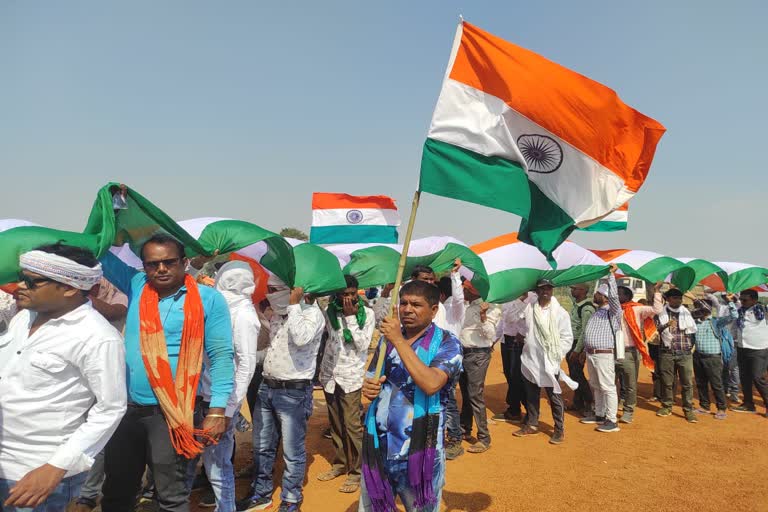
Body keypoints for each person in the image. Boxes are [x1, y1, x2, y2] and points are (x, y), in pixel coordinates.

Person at [99, 234, 235, 512]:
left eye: (168, 262)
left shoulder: (209, 299)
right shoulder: (136, 285)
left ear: (184, 262)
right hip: (125, 410)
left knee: (171, 496)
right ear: (144, 267)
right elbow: (98, 251)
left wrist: (218, 410)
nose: (161, 269)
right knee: (116, 492)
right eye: (152, 264)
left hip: (173, 413)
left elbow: (222, 357)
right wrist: (111, 216)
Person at [0, 244, 126, 511]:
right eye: (21, 277)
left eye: (31, 281)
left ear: (69, 287)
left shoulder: (98, 337)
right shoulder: (23, 318)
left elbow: (110, 409)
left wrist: (56, 467)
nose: (19, 286)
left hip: (36, 472)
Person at [359, 280, 462, 512]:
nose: (407, 309)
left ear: (434, 310)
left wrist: (398, 340)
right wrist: (370, 388)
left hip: (418, 450)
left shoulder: (448, 344)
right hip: (379, 446)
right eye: (403, 303)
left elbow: (431, 383)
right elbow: (372, 377)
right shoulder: (388, 341)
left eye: (416, 304)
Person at [238, 275, 325, 512]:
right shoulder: (279, 315)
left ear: (292, 290)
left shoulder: (311, 314)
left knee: (292, 451)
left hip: (293, 393)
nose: (270, 294)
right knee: (262, 446)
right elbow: (274, 351)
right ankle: (261, 493)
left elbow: (301, 338)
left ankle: (291, 499)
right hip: (268, 386)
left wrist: (295, 305)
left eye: (275, 290)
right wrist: (249, 358)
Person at [192, 261, 260, 510]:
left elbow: (246, 365)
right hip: (201, 394)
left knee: (218, 465)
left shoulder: (244, 316)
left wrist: (230, 407)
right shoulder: (217, 305)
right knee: (197, 459)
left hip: (219, 401)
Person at [71, 278, 129, 512]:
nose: (95, 288)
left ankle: (87, 493)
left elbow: (114, 312)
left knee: (98, 436)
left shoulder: (118, 295)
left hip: (103, 374)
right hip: (74, 375)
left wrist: (78, 297)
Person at [316, 275, 375, 493]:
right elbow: (330, 341)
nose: (348, 298)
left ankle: (358, 472)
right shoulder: (330, 312)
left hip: (351, 377)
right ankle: (341, 464)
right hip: (330, 374)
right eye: (344, 294)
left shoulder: (366, 314)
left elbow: (362, 345)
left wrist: (350, 319)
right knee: (336, 424)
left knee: (352, 425)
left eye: (351, 294)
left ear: (356, 293)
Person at [513, 279, 573, 445]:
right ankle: (532, 424)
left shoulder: (560, 313)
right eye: (542, 288)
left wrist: (556, 354)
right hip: (530, 359)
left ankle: (559, 429)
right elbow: (516, 321)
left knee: (554, 395)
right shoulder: (529, 308)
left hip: (549, 360)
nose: (546, 291)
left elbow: (567, 338)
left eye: (549, 288)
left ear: (552, 290)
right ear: (537, 291)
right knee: (531, 393)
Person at [577, 267, 622, 433]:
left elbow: (615, 298)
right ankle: (600, 414)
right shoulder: (597, 312)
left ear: (604, 296)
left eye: (597, 293)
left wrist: (610, 276)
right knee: (596, 385)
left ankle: (611, 419)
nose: (593, 295)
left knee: (607, 386)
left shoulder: (613, 312)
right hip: (592, 354)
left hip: (604, 354)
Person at [458, 280, 501, 454]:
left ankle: (484, 438)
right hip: (465, 352)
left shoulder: (491, 308)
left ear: (474, 292)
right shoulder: (467, 307)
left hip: (478, 354)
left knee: (475, 394)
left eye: (466, 290)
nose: (464, 293)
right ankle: (464, 429)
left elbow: (490, 335)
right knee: (467, 393)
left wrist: (484, 317)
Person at [615, 281, 664, 424]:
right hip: (612, 352)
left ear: (627, 296)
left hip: (630, 352)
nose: (616, 295)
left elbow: (657, 309)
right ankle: (611, 408)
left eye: (619, 293)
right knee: (611, 383)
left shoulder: (637, 309)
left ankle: (628, 411)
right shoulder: (612, 310)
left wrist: (656, 291)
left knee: (630, 385)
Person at [691, 295, 738, 420]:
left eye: (699, 308)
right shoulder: (695, 322)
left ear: (707, 309)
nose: (697, 310)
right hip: (698, 356)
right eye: (696, 308)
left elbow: (734, 316)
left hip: (713, 358)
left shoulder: (716, 322)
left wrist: (730, 301)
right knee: (701, 383)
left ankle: (721, 408)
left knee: (716, 384)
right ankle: (704, 406)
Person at [655, 288, 698, 422]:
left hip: (685, 353)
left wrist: (693, 298)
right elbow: (655, 329)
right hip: (667, 352)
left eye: (680, 298)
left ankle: (688, 410)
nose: (678, 300)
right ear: (668, 299)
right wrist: (666, 324)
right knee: (667, 382)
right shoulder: (660, 312)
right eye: (675, 298)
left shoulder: (686, 313)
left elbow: (706, 310)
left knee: (687, 383)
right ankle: (667, 406)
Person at [492, 293, 534, 424]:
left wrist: (520, 300)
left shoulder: (532, 298)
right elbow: (503, 321)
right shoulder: (508, 296)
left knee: (518, 376)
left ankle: (530, 411)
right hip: (507, 340)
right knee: (509, 375)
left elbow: (511, 318)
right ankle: (515, 409)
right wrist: (494, 340)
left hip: (520, 341)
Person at [731, 289, 768, 415]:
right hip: (742, 347)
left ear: (754, 300)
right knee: (745, 377)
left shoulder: (762, 309)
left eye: (745, 300)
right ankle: (748, 404)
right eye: (741, 299)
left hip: (758, 349)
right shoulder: (740, 311)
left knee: (758, 378)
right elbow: (736, 327)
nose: (742, 302)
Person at [567, 283, 595, 416]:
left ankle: (588, 403)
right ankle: (578, 402)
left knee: (577, 374)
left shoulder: (586, 308)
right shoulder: (577, 304)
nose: (571, 290)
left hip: (578, 344)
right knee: (573, 374)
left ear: (583, 291)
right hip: (571, 342)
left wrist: (578, 350)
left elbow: (586, 331)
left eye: (574, 288)